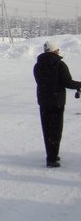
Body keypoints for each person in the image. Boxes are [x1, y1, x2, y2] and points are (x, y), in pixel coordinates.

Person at [33, 40, 81, 168]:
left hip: (43, 101)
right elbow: (67, 82)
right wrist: (79, 85)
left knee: (47, 129)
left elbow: (41, 81)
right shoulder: (60, 65)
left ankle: (51, 155)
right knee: (56, 129)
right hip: (57, 101)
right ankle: (52, 158)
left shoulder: (37, 65)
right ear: (55, 50)